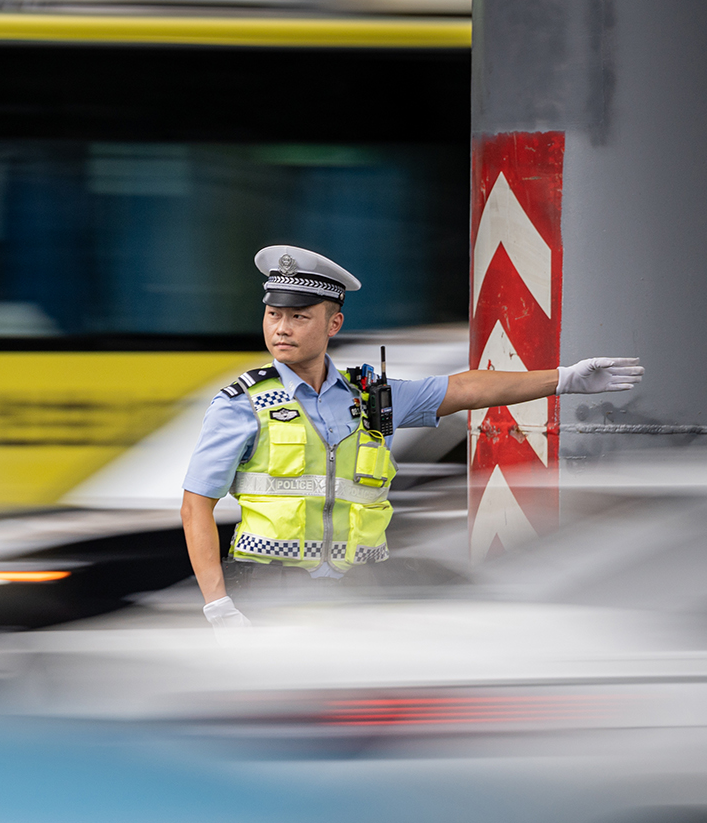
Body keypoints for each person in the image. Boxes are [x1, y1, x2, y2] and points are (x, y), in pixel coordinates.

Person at [182, 245, 644, 629]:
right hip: (269, 595)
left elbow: (465, 388)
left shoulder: (371, 396)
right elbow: (195, 505)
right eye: (273, 314)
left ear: (333, 324)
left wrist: (564, 379)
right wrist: (219, 608)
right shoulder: (240, 404)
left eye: (299, 317)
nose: (281, 328)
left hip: (359, 597)